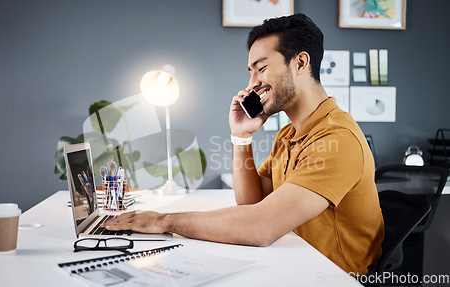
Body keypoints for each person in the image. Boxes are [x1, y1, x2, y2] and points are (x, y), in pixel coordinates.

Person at [102, 13, 384, 275]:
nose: (252, 84)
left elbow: (260, 227)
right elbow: (251, 204)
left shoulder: (337, 138)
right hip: (294, 266)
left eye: (261, 68)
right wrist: (241, 136)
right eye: (251, 71)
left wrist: (162, 221)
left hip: (333, 278)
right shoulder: (288, 135)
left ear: (300, 62)